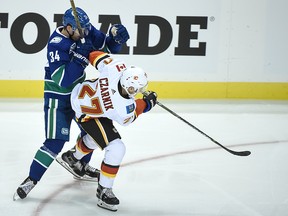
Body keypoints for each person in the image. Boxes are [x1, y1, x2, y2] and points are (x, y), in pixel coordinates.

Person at [13, 7, 130, 201]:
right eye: (80, 31)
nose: (85, 33)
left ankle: (80, 165)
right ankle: (31, 180)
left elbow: (106, 49)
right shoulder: (56, 44)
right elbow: (62, 80)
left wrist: (116, 39)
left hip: (80, 95)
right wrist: (79, 58)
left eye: (86, 29)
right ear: (68, 27)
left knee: (91, 132)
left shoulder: (83, 28)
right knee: (54, 143)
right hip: (57, 97)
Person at [56, 50, 157, 211]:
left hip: (80, 95)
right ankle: (104, 190)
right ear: (128, 86)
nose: (138, 91)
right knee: (116, 147)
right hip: (87, 115)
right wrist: (147, 104)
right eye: (136, 89)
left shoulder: (115, 67)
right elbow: (129, 117)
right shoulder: (122, 108)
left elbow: (94, 55)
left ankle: (72, 157)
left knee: (101, 137)